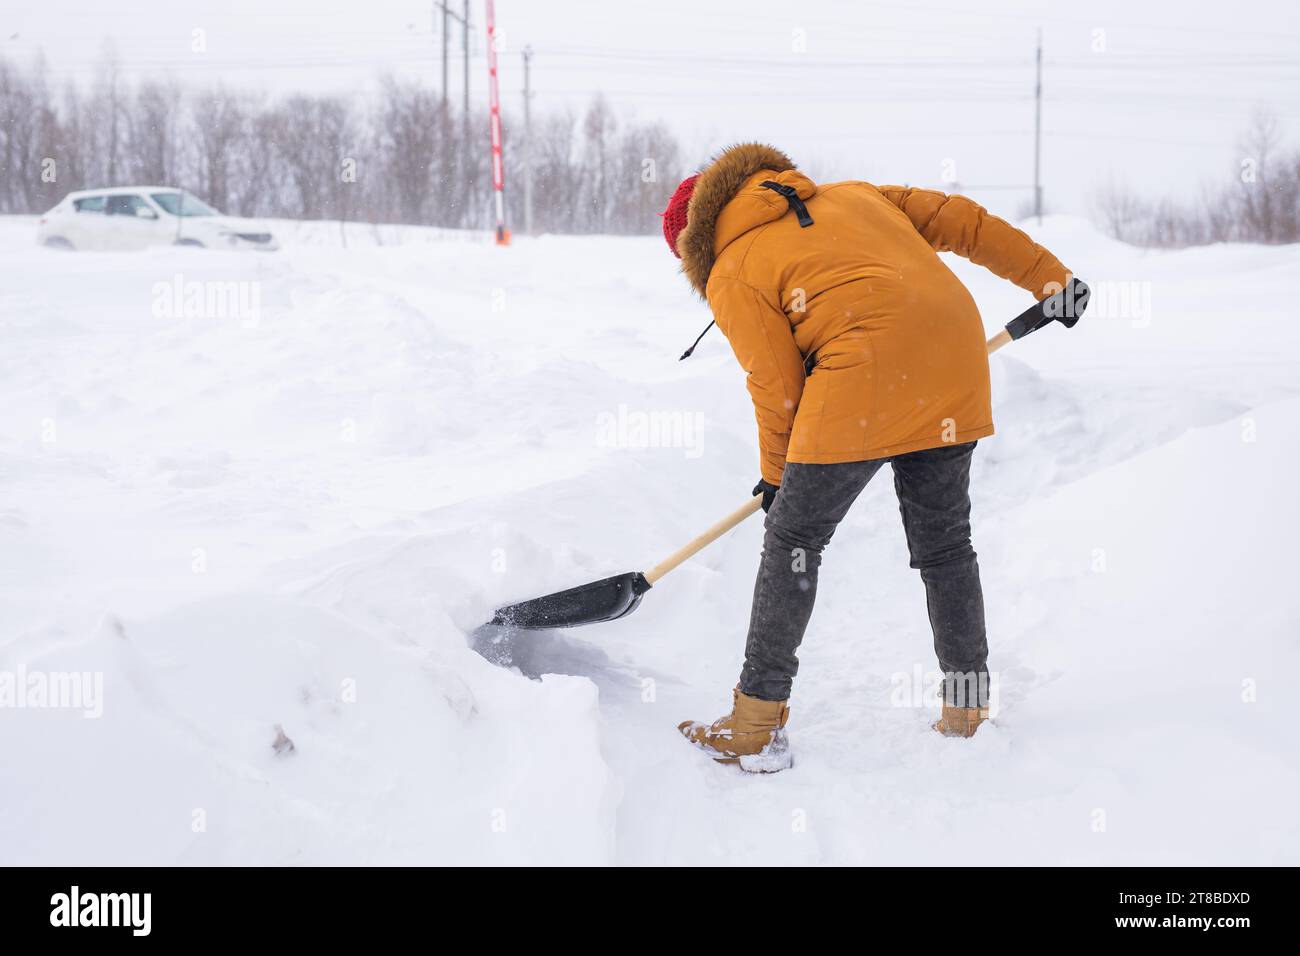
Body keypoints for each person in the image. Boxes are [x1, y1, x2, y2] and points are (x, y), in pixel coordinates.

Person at [662, 143, 1073, 772]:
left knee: (794, 538)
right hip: (953, 360)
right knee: (945, 545)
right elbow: (964, 220)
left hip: (860, 378)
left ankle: (753, 724)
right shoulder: (855, 196)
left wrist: (779, 477)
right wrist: (1052, 281)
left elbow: (777, 387)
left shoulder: (731, 268)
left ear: (695, 242)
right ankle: (966, 711)